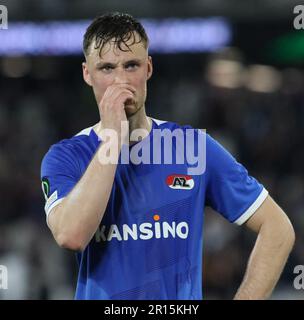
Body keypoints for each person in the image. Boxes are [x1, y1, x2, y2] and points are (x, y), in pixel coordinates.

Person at [40, 12, 295, 300]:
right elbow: (71, 235)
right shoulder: (67, 156)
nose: (121, 80)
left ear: (148, 68)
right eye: (107, 68)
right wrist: (112, 138)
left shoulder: (192, 148)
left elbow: (278, 228)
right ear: (88, 74)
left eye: (131, 65)